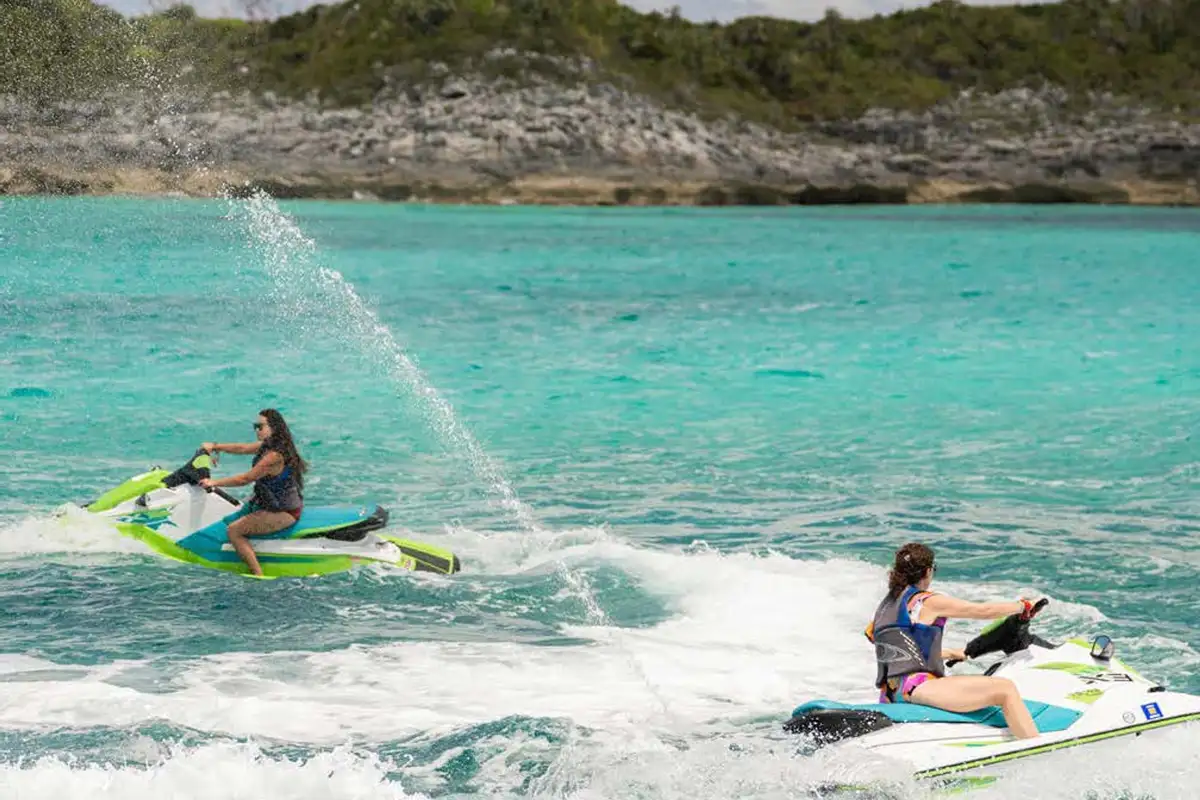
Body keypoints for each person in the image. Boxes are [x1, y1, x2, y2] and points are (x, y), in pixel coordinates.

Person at [864, 542, 1040, 739]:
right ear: (928, 571)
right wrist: (1022, 606)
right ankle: (1035, 746)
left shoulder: (885, 608)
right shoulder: (928, 601)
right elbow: (981, 610)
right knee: (1005, 689)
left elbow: (897, 648)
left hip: (890, 695)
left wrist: (949, 653)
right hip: (919, 687)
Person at [199, 408, 307, 577]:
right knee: (228, 520)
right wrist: (215, 446)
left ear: (274, 428)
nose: (257, 430)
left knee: (234, 531)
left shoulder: (274, 456)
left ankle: (257, 574)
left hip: (284, 512)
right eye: (255, 426)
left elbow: (245, 479)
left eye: (260, 426)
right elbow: (242, 448)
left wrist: (214, 482)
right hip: (267, 504)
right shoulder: (269, 446)